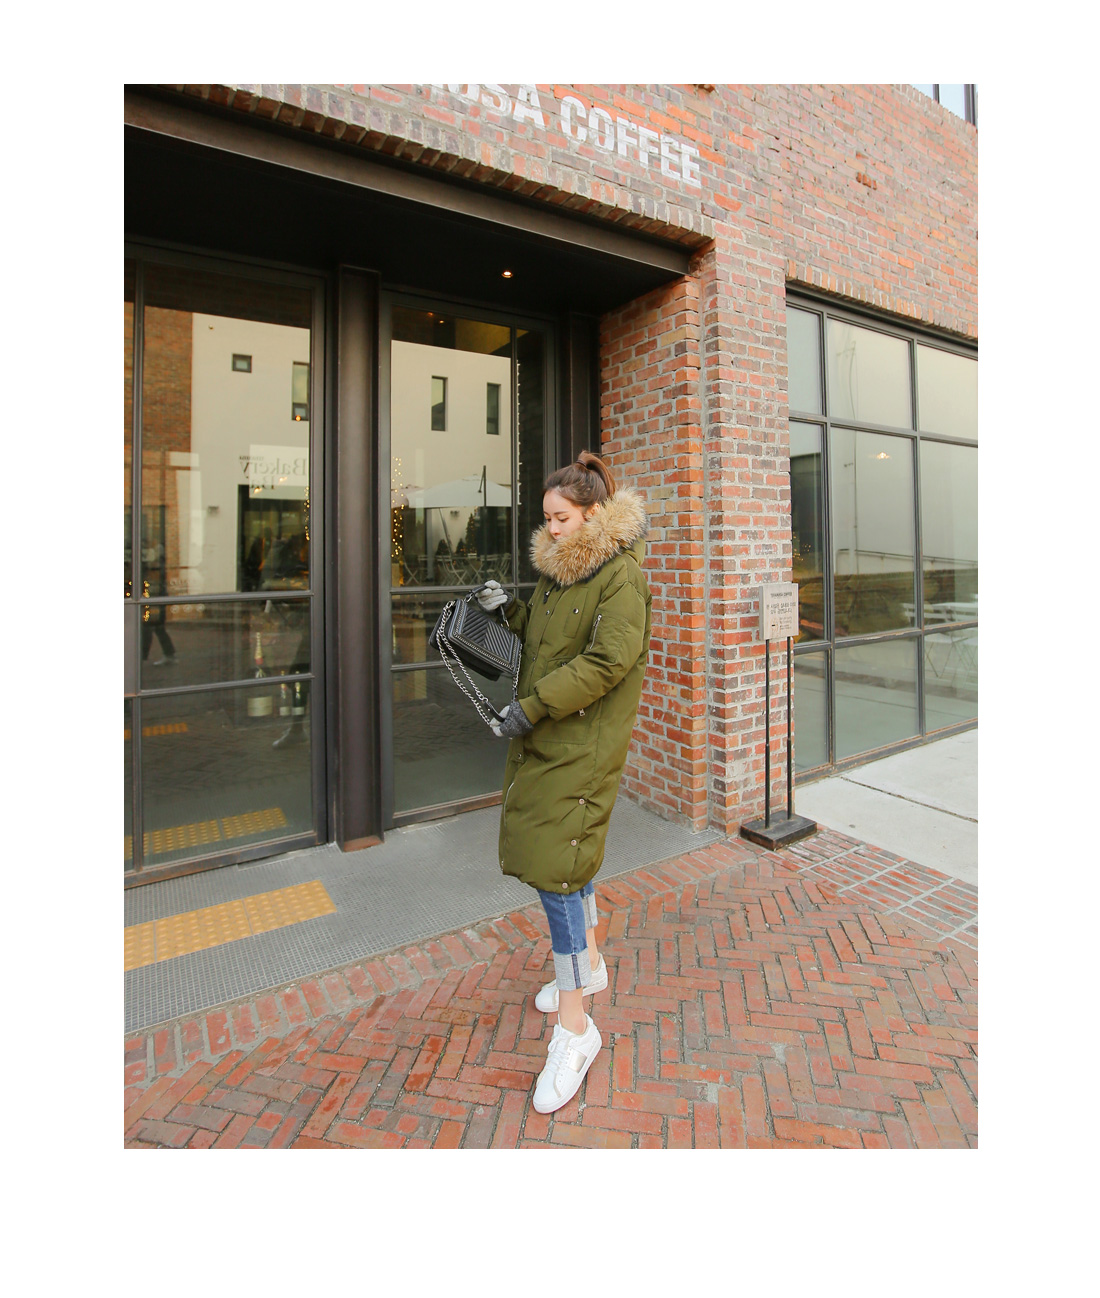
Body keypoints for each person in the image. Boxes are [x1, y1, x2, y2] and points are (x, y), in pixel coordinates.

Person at [476, 450, 651, 1114]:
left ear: (593, 514)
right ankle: (591, 965)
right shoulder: (559, 572)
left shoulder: (621, 577)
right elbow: (549, 642)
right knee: (568, 866)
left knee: (558, 874)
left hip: (581, 745)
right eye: (546, 518)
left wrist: (533, 706)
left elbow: (608, 661)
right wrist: (509, 612)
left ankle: (577, 1030)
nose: (550, 528)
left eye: (561, 518)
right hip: (551, 737)